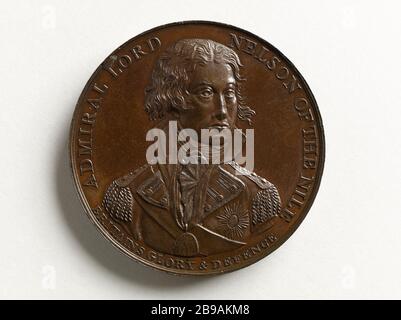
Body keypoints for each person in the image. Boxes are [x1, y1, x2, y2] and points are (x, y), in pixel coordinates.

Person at [102, 39, 281, 257]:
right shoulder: (126, 195)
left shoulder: (260, 198)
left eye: (230, 93)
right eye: (206, 93)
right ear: (172, 99)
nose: (223, 110)